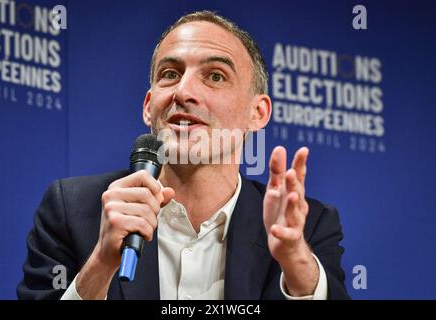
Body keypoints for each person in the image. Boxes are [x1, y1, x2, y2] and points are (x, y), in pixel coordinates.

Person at [17, 11, 349, 300]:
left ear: (257, 112)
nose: (184, 92)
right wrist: (101, 265)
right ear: (149, 107)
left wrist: (296, 260)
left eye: (215, 76)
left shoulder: (307, 228)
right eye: (170, 74)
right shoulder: (71, 210)